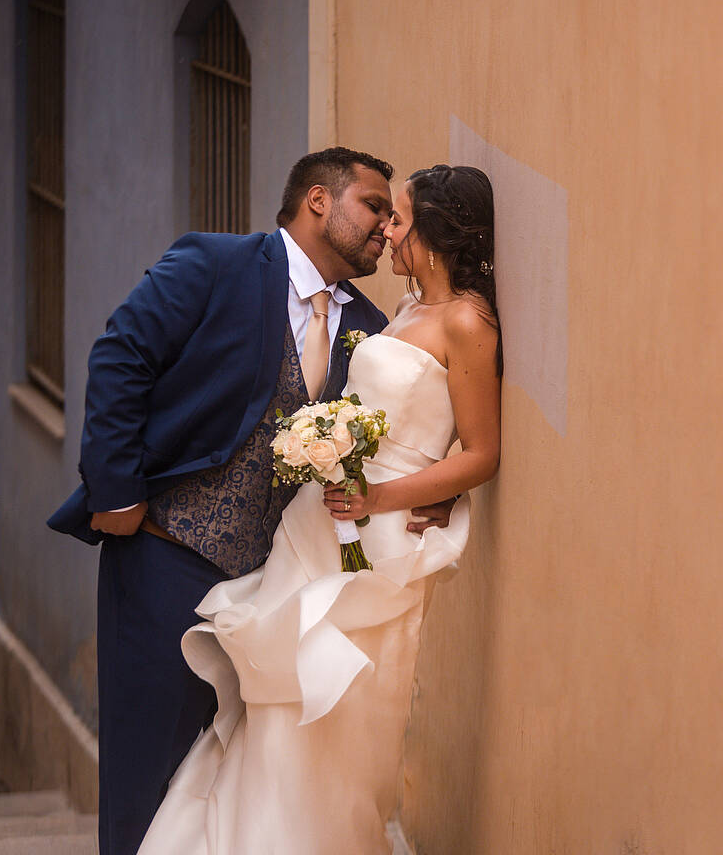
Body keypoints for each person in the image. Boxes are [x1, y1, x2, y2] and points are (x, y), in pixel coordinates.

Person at [47, 148, 459, 855]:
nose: (386, 227)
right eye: (373, 206)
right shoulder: (215, 264)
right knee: (148, 783)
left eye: (394, 214)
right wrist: (115, 491)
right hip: (166, 560)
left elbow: (394, 431)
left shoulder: (366, 324)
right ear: (318, 202)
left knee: (228, 789)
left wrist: (437, 495)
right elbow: (121, 356)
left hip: (278, 585)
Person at [135, 164, 502, 854]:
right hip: (316, 526)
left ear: (432, 233)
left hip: (382, 539)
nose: (385, 231)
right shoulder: (404, 311)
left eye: (398, 219)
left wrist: (384, 495)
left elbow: (481, 452)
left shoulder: (467, 322)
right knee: (279, 707)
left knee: (340, 716)